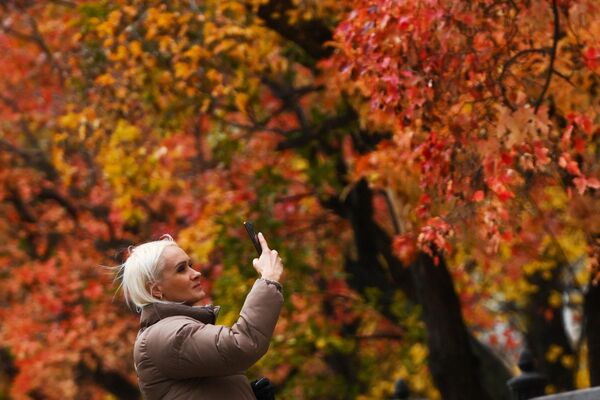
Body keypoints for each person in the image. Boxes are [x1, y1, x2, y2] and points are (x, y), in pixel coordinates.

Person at [118, 232, 284, 399]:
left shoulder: (171, 330)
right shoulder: (169, 335)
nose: (196, 273)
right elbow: (242, 344)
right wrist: (268, 279)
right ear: (155, 289)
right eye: (181, 269)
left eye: (190, 265)